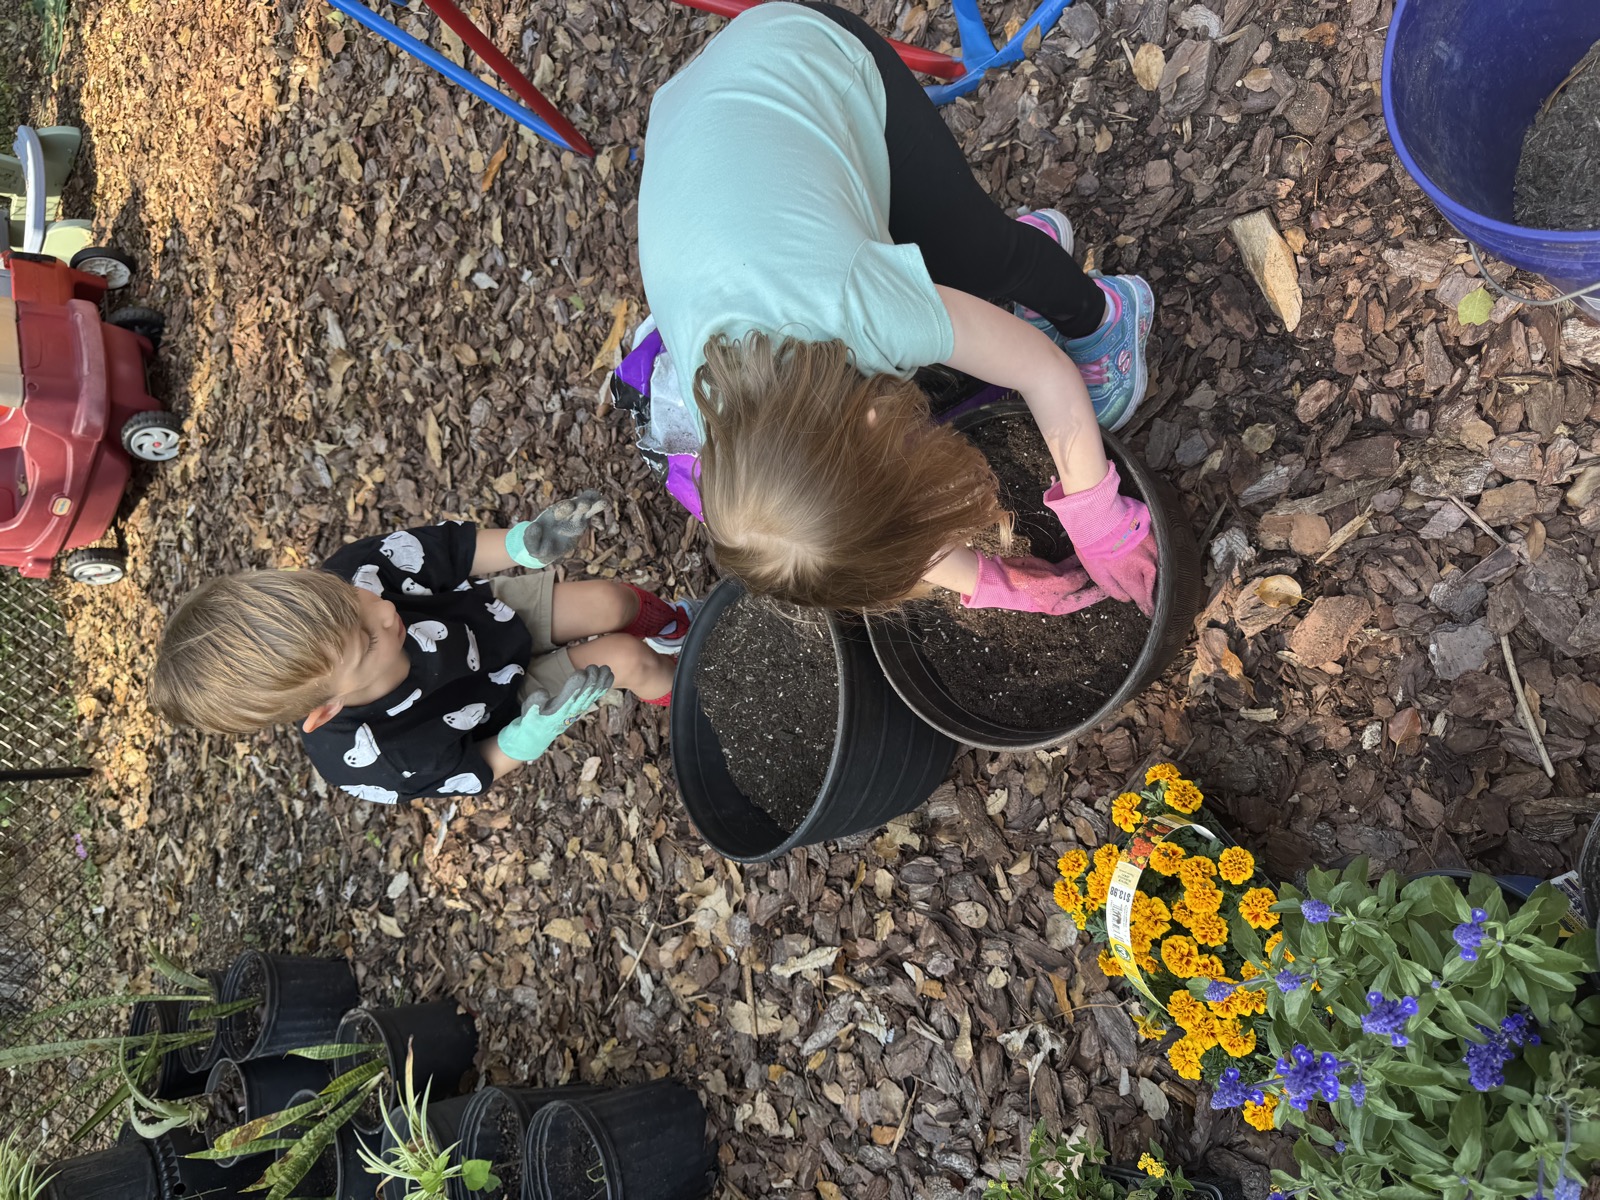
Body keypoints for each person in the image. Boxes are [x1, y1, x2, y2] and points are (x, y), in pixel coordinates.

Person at [635, 0, 1160, 616]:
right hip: (698, 133)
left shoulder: (857, 311)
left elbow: (1042, 371)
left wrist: (1100, 524)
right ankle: (977, 277)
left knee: (975, 253)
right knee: (937, 268)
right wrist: (986, 583)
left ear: (875, 422)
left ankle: (1100, 313)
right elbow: (850, 519)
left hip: (809, 57)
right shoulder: (728, 439)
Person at [150, 495, 698, 805]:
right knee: (629, 661)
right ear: (327, 708)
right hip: (513, 710)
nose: (384, 612)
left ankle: (676, 625)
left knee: (609, 601)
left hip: (484, 619)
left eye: (354, 599)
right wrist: (529, 737)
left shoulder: (348, 580)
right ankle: (698, 687)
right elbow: (473, 767)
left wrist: (520, 546)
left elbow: (443, 553)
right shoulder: (373, 759)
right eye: (367, 639)